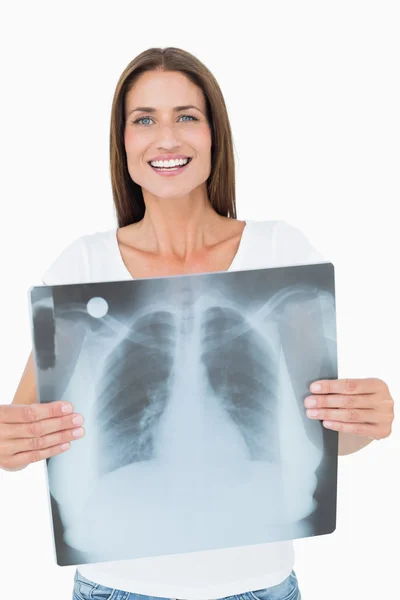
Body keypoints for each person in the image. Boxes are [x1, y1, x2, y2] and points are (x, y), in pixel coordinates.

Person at [0, 47, 394, 600]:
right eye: (145, 120)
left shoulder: (280, 251)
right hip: (117, 587)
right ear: (124, 142)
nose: (167, 139)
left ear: (215, 135)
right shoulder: (81, 265)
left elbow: (328, 435)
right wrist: (8, 438)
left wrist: (368, 418)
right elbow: (22, 436)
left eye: (187, 116)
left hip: (259, 587)